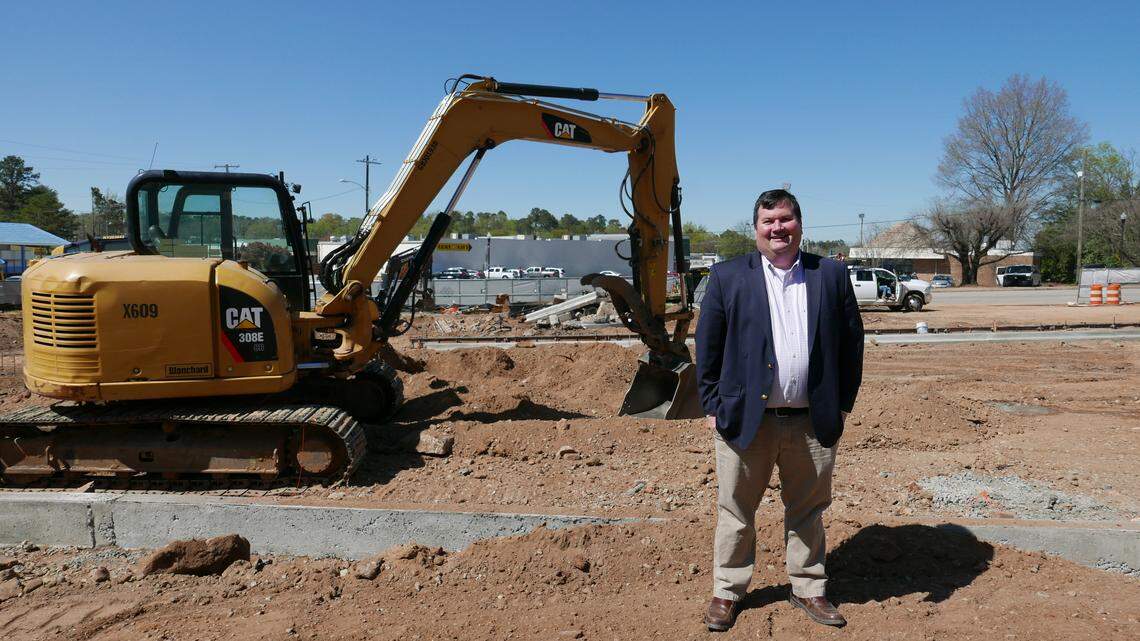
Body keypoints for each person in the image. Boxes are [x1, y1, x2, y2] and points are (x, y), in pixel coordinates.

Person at [695, 189, 864, 631]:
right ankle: (727, 591)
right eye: (768, 221)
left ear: (800, 224)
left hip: (812, 420)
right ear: (756, 230)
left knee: (808, 510)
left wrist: (841, 404)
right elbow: (707, 348)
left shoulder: (829, 275)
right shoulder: (728, 277)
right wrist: (712, 405)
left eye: (785, 219)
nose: (778, 229)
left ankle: (809, 587)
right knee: (735, 510)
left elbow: (852, 344)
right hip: (745, 421)